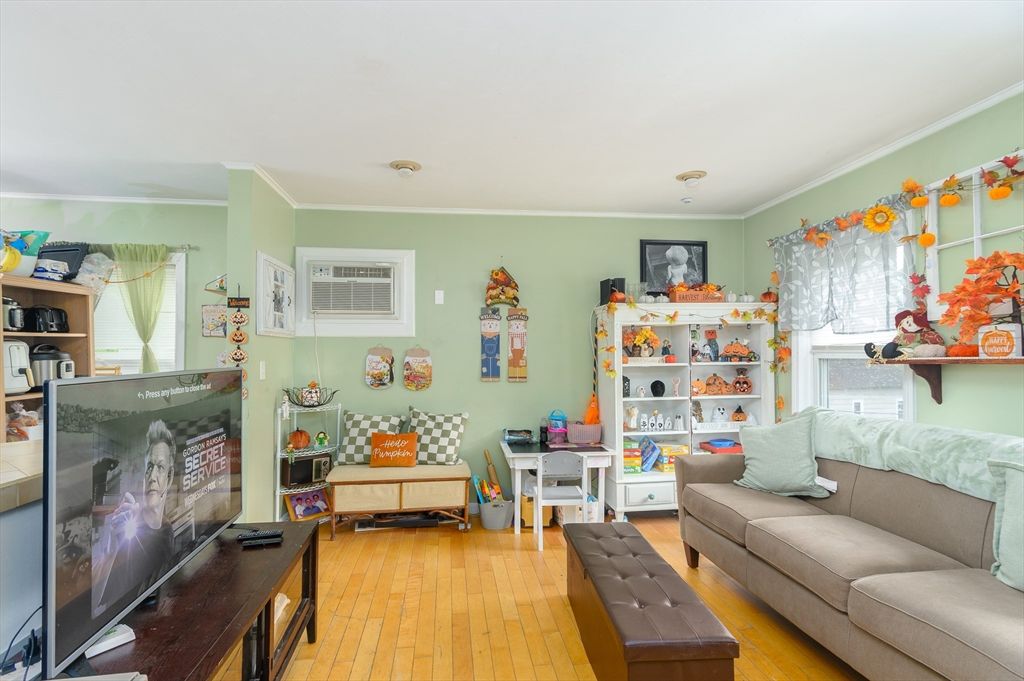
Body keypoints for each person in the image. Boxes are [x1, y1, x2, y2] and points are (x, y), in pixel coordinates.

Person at [92, 420, 176, 613]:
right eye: (149, 467)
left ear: (169, 477)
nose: (153, 476)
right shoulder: (127, 527)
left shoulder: (167, 530)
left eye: (160, 468)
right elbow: (98, 604)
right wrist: (113, 545)